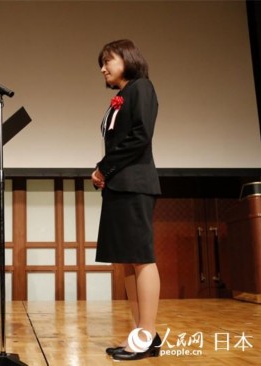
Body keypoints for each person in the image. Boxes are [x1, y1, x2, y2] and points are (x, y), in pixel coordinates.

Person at [90, 39, 162, 361]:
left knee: (142, 258)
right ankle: (142, 335)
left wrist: (103, 167)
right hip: (120, 185)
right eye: (101, 64)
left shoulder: (141, 87)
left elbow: (140, 136)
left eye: (108, 61)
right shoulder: (120, 97)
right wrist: (106, 173)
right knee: (129, 262)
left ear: (127, 59)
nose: (103, 68)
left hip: (135, 184)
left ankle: (146, 336)